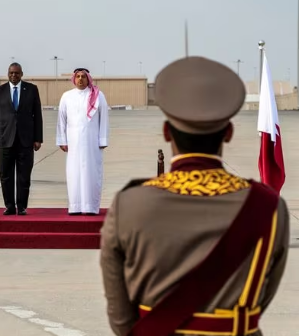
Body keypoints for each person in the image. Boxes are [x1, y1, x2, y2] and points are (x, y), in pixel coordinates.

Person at [99, 56, 289, 336]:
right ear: (228, 133)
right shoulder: (268, 207)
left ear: (166, 132)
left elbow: (119, 311)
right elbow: (264, 293)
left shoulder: (129, 204)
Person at [0, 62, 43, 215]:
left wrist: (38, 138)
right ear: (8, 74)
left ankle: (22, 206)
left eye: (17, 73)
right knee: (6, 175)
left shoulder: (32, 90)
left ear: (21, 74)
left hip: (25, 140)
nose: (14, 75)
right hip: (5, 140)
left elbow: (37, 115)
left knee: (24, 175)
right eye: (11, 73)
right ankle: (9, 206)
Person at [57, 68, 109, 215]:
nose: (80, 79)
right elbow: (61, 120)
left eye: (83, 77)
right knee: (74, 173)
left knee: (92, 173)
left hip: (92, 142)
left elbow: (104, 119)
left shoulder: (98, 96)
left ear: (88, 79)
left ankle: (91, 207)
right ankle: (75, 207)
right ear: (74, 79)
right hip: (73, 142)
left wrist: (103, 139)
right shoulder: (67, 96)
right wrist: (62, 139)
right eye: (78, 76)